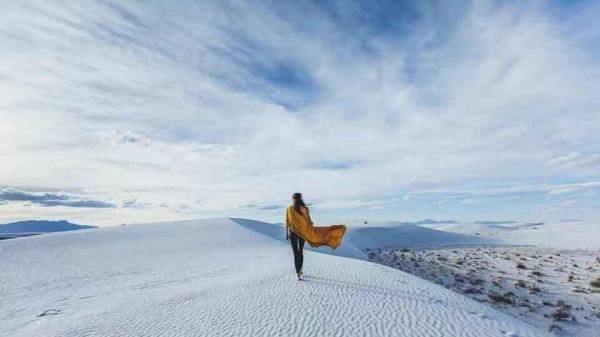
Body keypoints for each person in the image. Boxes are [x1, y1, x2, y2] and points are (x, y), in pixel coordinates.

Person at [285, 193, 347, 280]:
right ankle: (300, 269)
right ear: (301, 198)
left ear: (293, 199)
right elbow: (308, 221)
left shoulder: (289, 209)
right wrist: (311, 227)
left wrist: (286, 233)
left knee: (295, 253)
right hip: (303, 233)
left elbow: (287, 222)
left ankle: (298, 273)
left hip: (292, 233)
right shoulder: (303, 209)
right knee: (300, 251)